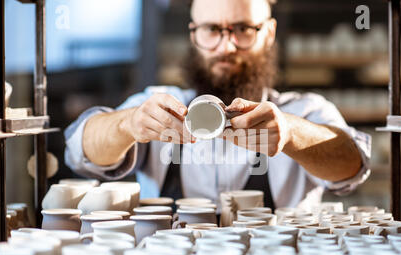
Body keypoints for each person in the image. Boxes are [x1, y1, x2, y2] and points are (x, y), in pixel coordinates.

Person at [64, 0, 371, 213]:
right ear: (193, 34)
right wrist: (127, 125)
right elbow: (80, 152)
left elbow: (354, 167)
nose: (226, 47)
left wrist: (292, 134)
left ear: (270, 32)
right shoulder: (158, 105)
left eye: (243, 29)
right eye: (212, 30)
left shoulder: (304, 110)